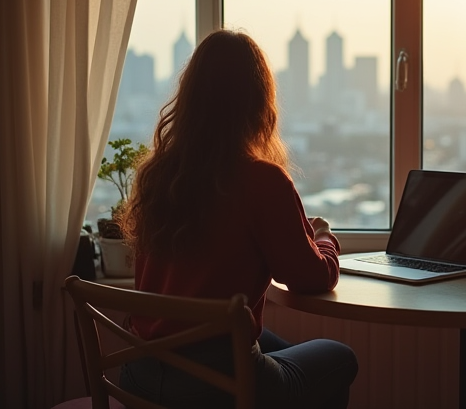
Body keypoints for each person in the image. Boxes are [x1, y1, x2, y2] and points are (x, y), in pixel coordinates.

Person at [118, 28, 358, 409]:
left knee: (280, 347)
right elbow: (311, 278)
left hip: (140, 371)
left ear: (190, 96)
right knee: (339, 358)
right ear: (258, 101)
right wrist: (323, 237)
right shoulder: (261, 180)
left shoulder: (160, 175)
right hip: (213, 383)